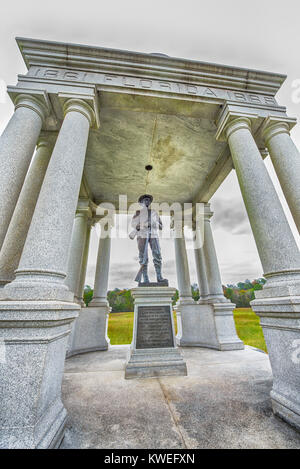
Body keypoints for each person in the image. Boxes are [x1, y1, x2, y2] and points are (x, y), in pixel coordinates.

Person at [129, 194, 167, 284]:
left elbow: (161, 226)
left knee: (157, 254)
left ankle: (159, 276)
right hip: (142, 235)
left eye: (148, 200)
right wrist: (142, 225)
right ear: (141, 202)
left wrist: (153, 224)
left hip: (153, 234)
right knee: (143, 257)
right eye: (145, 200)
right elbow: (133, 225)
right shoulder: (138, 213)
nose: (147, 201)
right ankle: (145, 278)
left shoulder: (154, 212)